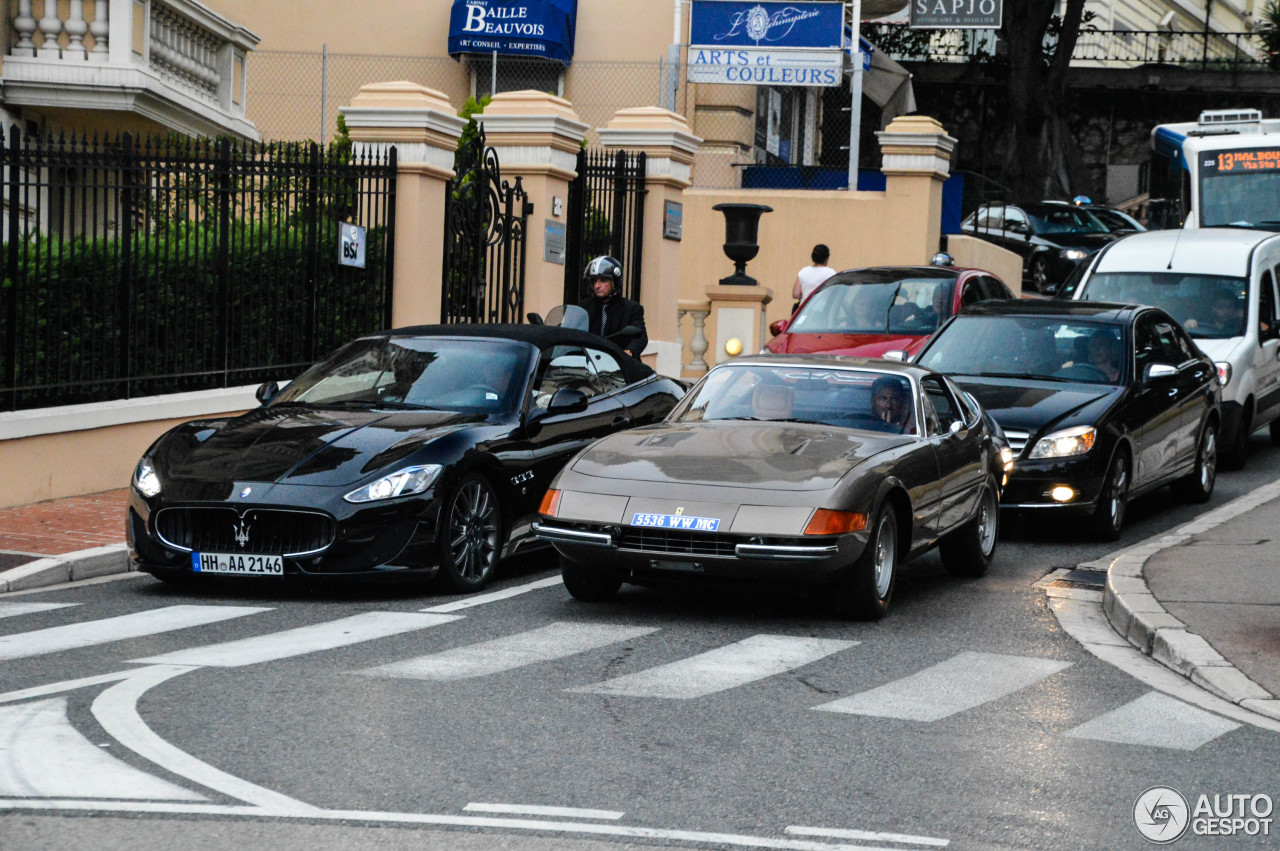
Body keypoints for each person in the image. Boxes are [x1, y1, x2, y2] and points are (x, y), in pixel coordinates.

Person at [577, 256, 648, 358]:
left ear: (614, 282)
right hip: (587, 362)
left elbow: (640, 337)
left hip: (618, 364)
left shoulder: (631, 308)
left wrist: (629, 352)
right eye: (594, 281)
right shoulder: (583, 307)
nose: (597, 285)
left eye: (603, 280)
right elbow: (572, 331)